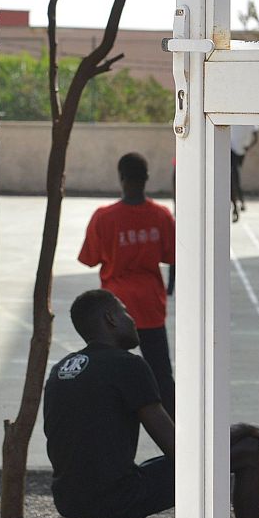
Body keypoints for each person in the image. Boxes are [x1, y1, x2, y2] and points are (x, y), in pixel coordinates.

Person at [42, 289, 259, 518]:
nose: (132, 319)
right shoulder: (127, 364)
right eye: (125, 312)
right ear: (111, 319)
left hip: (67, 499)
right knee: (247, 452)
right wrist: (243, 429)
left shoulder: (60, 369)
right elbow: (181, 452)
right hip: (111, 501)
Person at [78, 153, 177, 415]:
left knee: (111, 368)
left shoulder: (104, 217)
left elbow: (89, 258)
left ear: (121, 179)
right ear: (146, 178)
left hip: (114, 310)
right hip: (150, 305)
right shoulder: (161, 215)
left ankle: (113, 415)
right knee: (160, 372)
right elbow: (172, 255)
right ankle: (175, 430)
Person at [228, 125, 259, 222]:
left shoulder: (252, 121)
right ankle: (237, 203)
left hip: (240, 151)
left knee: (234, 178)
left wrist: (248, 147)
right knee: (233, 177)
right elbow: (256, 136)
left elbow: (256, 136)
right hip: (232, 149)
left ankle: (238, 201)